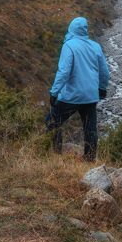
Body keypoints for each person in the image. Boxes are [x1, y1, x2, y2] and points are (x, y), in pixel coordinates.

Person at [46, 16, 109, 161]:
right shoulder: (95, 46)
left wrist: (54, 92)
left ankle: (54, 154)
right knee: (90, 128)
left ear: (71, 29)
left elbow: (63, 72)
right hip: (90, 96)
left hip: (72, 96)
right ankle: (89, 159)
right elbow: (104, 71)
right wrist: (102, 88)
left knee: (53, 121)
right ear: (85, 30)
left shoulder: (68, 46)